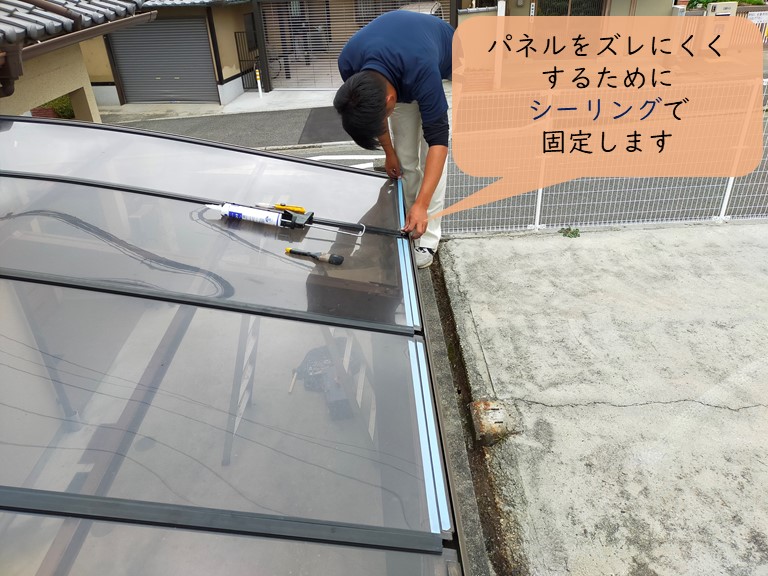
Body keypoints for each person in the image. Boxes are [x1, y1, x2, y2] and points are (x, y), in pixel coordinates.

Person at [334, 10, 454, 269]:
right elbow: (369, 109)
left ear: (390, 100)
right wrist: (389, 152)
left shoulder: (422, 68)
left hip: (440, 61)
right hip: (400, 67)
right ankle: (409, 219)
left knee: (430, 156)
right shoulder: (349, 62)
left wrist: (423, 203)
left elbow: (439, 143)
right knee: (404, 157)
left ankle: (427, 237)